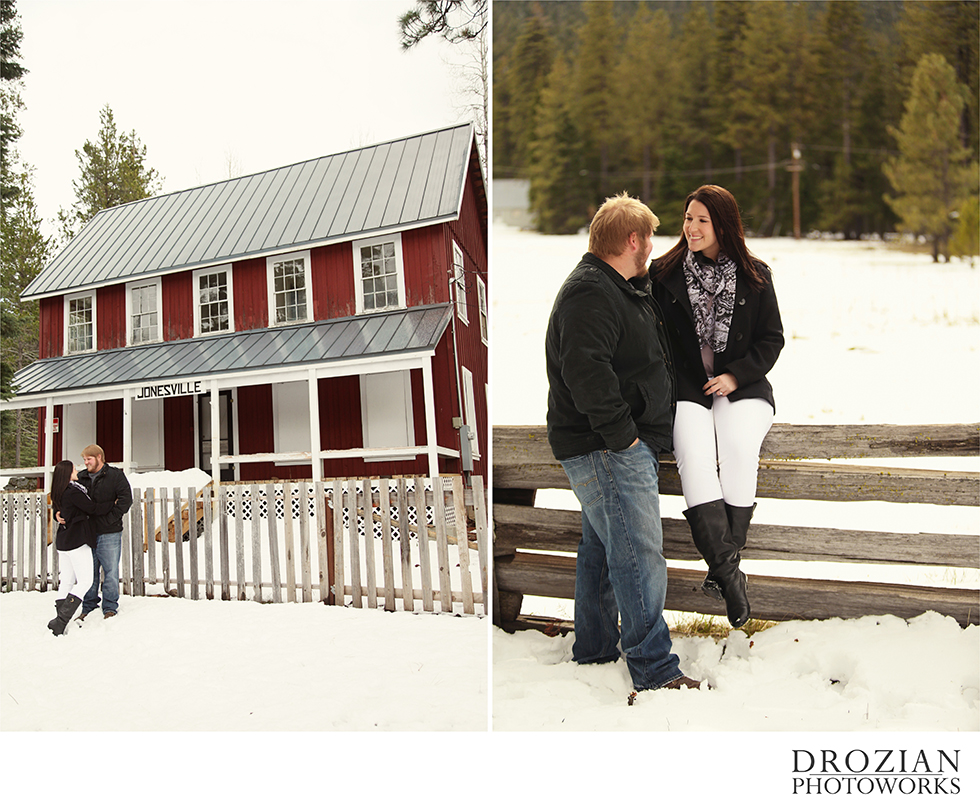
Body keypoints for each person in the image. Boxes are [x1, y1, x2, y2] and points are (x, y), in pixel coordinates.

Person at [546, 192, 700, 698]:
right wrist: (625, 439)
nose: (653, 249)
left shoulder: (619, 285)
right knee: (638, 551)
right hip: (607, 446)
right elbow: (585, 372)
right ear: (631, 240)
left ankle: (592, 648)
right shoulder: (590, 293)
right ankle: (655, 668)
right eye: (649, 239)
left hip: (608, 444)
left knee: (602, 549)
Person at [651, 185, 784, 628]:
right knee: (693, 455)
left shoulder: (756, 275)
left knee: (739, 450)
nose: (690, 227)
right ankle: (730, 578)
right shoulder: (663, 274)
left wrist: (735, 376)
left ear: (722, 224)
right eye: (687, 218)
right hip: (687, 386)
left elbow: (772, 339)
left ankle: (721, 568)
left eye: (701, 220)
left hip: (741, 386)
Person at [48, 460, 115, 635]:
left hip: (64, 541)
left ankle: (59, 621)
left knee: (68, 581)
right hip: (77, 541)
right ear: (68, 473)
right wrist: (112, 504)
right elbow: (91, 508)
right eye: (74, 469)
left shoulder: (58, 491)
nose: (77, 470)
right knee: (85, 581)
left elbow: (61, 511)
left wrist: (57, 516)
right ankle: (61, 621)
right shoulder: (72, 491)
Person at [77, 444, 133, 620]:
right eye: (84, 459)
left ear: (99, 457)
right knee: (89, 571)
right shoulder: (81, 477)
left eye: (89, 459)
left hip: (110, 531)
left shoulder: (115, 476)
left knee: (110, 571)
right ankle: (89, 605)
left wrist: (111, 519)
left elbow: (126, 500)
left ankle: (109, 607)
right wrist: (58, 512)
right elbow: (69, 498)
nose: (86, 463)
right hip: (88, 532)